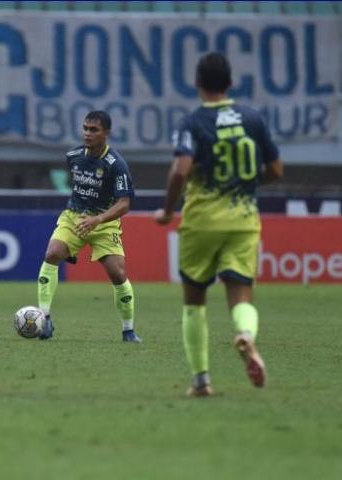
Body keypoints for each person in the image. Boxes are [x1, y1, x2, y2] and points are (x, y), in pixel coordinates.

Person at [154, 52, 284, 397]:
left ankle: (201, 381)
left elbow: (180, 170)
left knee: (194, 301)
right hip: (243, 221)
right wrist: (247, 183)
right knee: (241, 294)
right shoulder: (253, 119)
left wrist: (167, 210)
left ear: (197, 83)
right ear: (230, 83)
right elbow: (276, 170)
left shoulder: (193, 122)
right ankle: (245, 335)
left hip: (201, 222)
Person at [37, 110, 141, 343]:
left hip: (103, 223)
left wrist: (97, 220)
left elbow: (124, 204)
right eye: (85, 128)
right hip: (74, 217)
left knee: (118, 273)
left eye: (93, 130)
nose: (87, 134)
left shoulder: (116, 165)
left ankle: (128, 331)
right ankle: (44, 319)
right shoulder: (73, 156)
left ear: (106, 133)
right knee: (52, 253)